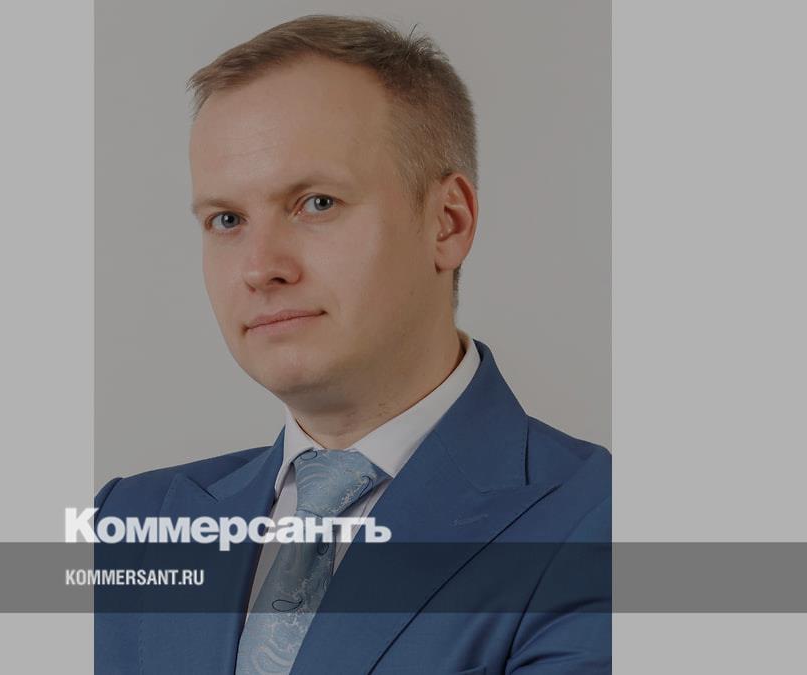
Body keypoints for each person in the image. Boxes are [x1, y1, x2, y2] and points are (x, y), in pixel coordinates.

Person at [94, 14, 611, 674]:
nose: (260, 267)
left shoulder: (603, 526)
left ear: (447, 222)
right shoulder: (128, 524)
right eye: (226, 219)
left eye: (316, 203)